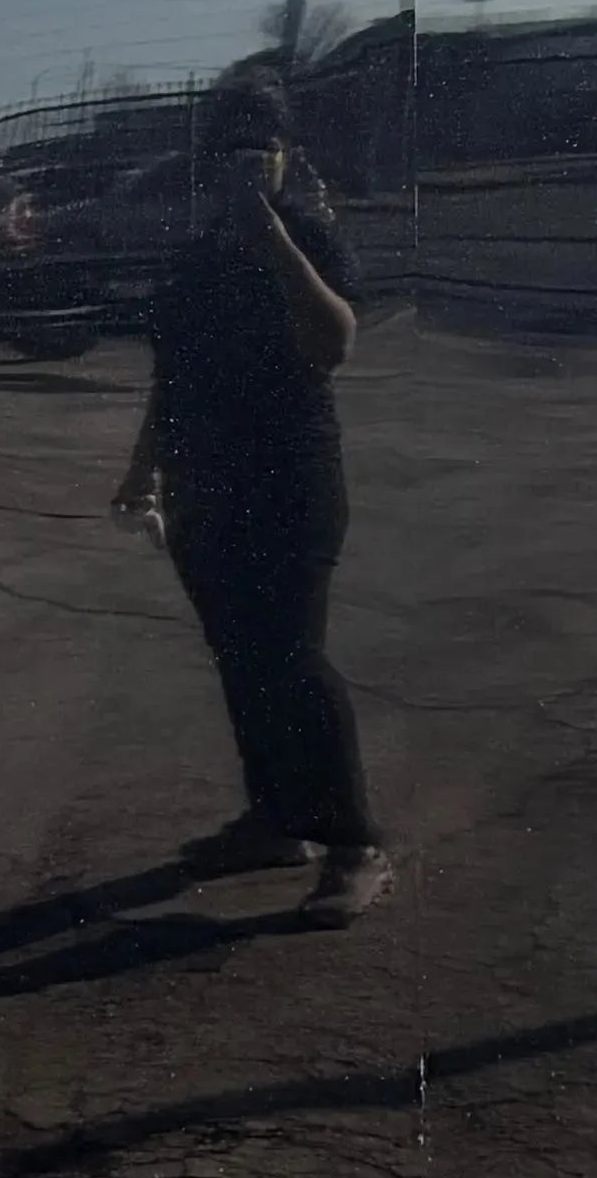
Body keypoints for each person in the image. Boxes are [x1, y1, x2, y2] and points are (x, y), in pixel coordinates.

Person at [114, 65, 390, 920]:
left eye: (260, 147)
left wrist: (269, 232)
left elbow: (335, 343)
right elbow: (172, 379)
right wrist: (141, 470)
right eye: (230, 148)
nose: (246, 162)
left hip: (292, 480)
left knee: (291, 659)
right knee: (239, 658)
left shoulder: (309, 237)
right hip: (203, 484)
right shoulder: (193, 261)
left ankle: (355, 846)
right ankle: (276, 820)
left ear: (285, 155)